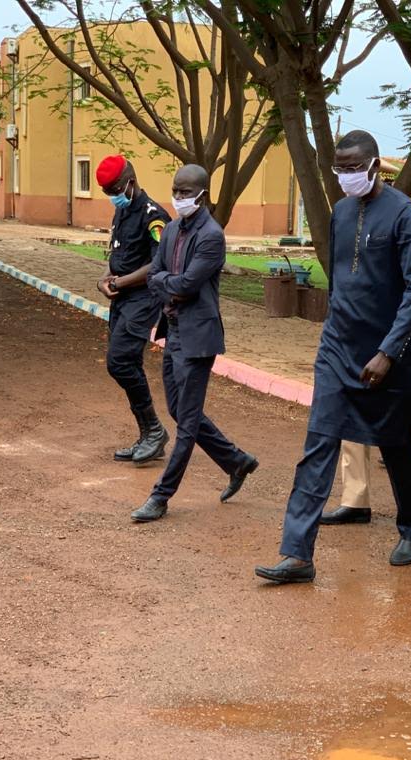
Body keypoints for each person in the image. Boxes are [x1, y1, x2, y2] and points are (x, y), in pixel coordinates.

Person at [255, 130, 411, 584]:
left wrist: (388, 352)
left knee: (394, 443)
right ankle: (297, 553)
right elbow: (338, 276)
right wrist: (333, 330)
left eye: (355, 167)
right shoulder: (339, 212)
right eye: (340, 168)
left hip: (388, 355)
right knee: (319, 442)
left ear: (375, 165)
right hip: (338, 349)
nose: (347, 175)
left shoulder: (403, 215)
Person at [129, 164, 258, 523]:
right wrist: (170, 282)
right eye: (176, 190)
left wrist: (168, 282)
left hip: (199, 339)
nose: (179, 197)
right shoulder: (170, 230)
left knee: (186, 424)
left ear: (202, 194)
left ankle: (161, 496)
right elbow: (156, 275)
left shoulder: (212, 235)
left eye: (186, 192)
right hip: (173, 330)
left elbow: (186, 285)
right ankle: (236, 461)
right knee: (178, 410)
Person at [321, 197, 411, 524]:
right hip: (355, 330)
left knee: (395, 419)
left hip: (402, 334)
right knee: (350, 411)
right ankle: (356, 499)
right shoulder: (349, 214)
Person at [95, 155, 171, 464]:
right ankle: (148, 435)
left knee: (119, 362)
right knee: (128, 362)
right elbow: (116, 255)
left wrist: (122, 282)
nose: (112, 195)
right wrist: (104, 280)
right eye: (106, 191)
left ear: (130, 181)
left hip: (142, 300)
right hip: (122, 299)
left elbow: (159, 262)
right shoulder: (121, 212)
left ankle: (154, 430)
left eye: (114, 188)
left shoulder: (154, 216)